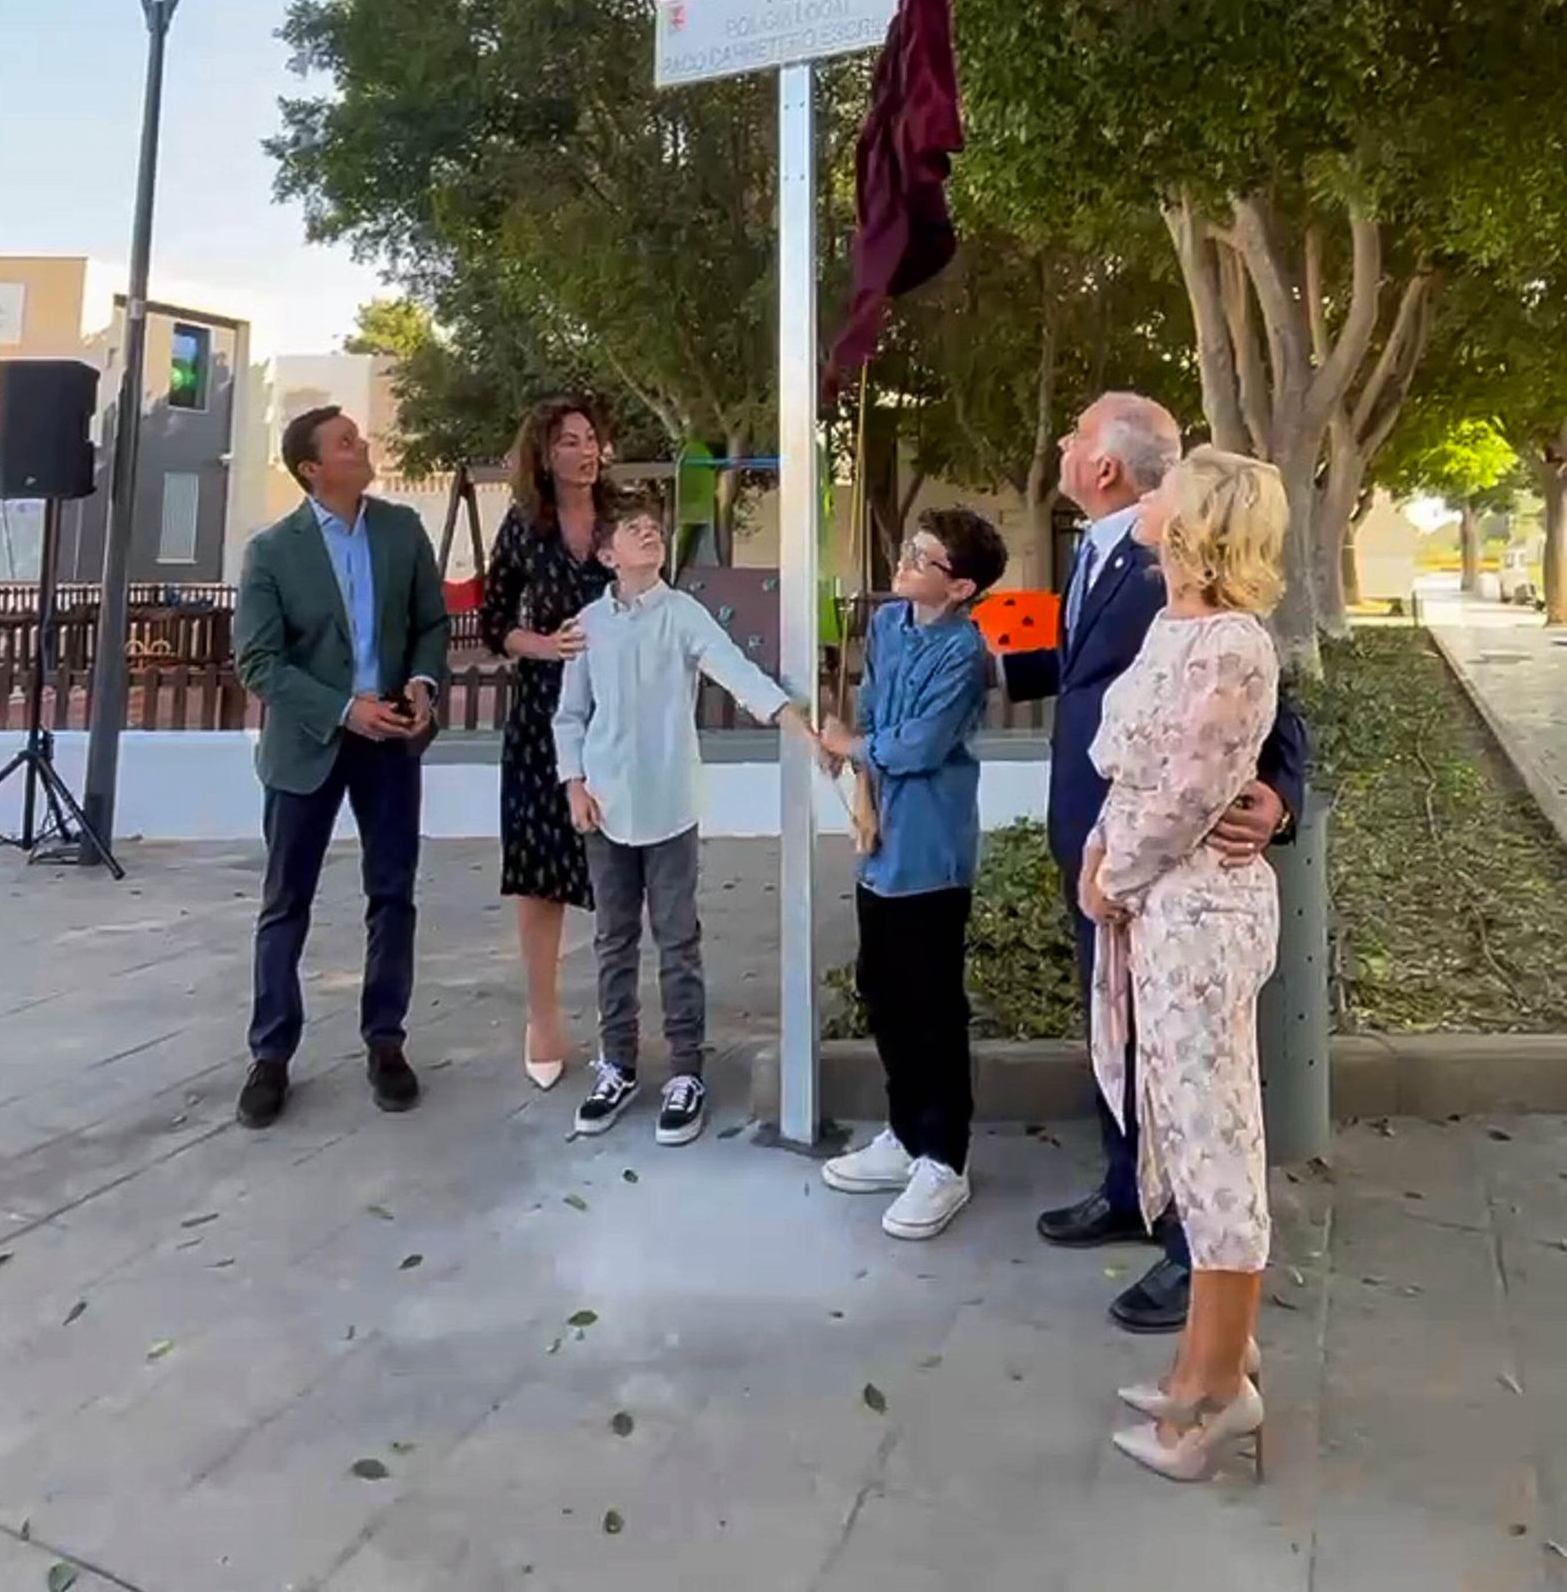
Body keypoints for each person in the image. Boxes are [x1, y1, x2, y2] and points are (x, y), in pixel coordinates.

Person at [999, 393, 1306, 1333]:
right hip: (1094, 842)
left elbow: (1259, 691)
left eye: (1076, 434)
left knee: (1181, 1067)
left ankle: (1191, 1256)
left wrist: (1281, 791)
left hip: (1164, 869)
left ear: (1105, 469)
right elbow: (1086, 667)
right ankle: (1130, 1189)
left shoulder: (1185, 566)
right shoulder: (1093, 551)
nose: (1061, 442)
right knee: (1115, 1026)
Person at [1083, 447, 1288, 1480]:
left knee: (1213, 1144)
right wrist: (1103, 860)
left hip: (1198, 915)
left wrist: (1112, 875)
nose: (1148, 495)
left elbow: (1189, 792)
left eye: (1170, 487)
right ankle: (1214, 1356)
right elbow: (1130, 764)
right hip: (1152, 906)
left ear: (1197, 517)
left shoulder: (1237, 647)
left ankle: (1215, 1394)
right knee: (1185, 1126)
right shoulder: (1177, 625)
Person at [554, 492, 821, 1144]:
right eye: (633, 530)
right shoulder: (588, 623)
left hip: (671, 804)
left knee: (677, 938)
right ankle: (616, 1064)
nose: (649, 535)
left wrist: (794, 717)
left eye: (654, 528)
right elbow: (570, 715)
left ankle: (684, 1072)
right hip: (606, 806)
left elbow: (733, 669)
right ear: (607, 553)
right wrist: (573, 784)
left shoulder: (683, 614)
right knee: (613, 940)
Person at [233, 406, 449, 1129]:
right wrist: (341, 709)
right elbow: (259, 662)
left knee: (393, 895)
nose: (364, 447)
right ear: (312, 469)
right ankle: (270, 1055)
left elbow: (431, 623)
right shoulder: (271, 552)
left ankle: (385, 1042)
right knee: (285, 903)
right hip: (306, 745)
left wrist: (422, 683)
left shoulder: (401, 531)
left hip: (390, 740)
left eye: (360, 437)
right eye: (347, 442)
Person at [820, 507, 1008, 1241]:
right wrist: (857, 751)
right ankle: (903, 1135)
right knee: (885, 992)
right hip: (882, 841)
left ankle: (944, 1159)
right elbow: (871, 704)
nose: (905, 562)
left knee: (932, 1007)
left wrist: (857, 745)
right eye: (910, 549)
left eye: (923, 557)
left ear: (959, 586)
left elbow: (922, 743)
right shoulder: (892, 625)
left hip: (930, 850)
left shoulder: (964, 652)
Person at [480, 396, 615, 1090]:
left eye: (591, 439)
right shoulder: (523, 528)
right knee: (540, 868)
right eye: (569, 441)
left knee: (624, 863)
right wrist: (545, 645)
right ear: (545, 453)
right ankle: (543, 1015)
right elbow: (494, 619)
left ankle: (620, 1024)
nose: (586, 451)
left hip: (620, 714)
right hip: (542, 711)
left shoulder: (625, 519)